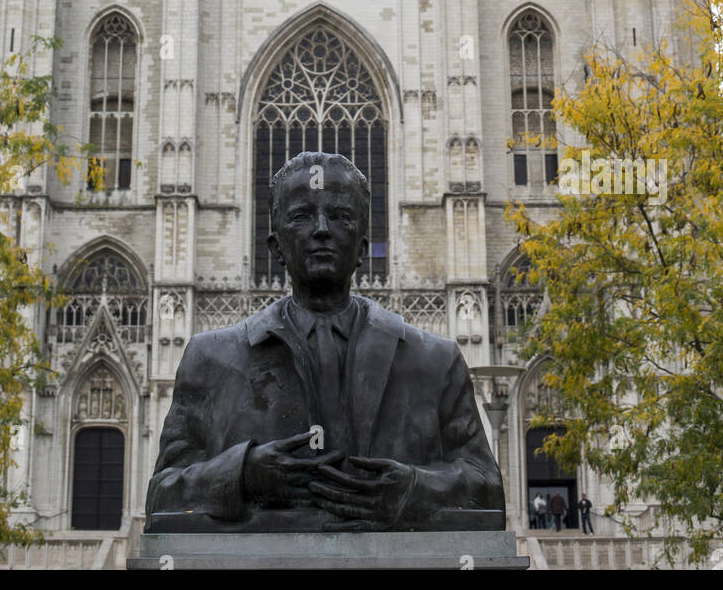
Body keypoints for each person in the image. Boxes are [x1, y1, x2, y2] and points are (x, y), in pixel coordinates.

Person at [146, 151, 505, 531]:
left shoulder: (436, 361)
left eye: (340, 216)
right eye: (301, 216)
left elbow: (487, 489)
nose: (321, 229)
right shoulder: (210, 359)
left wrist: (411, 492)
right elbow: (162, 497)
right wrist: (242, 475)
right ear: (275, 249)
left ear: (364, 248)